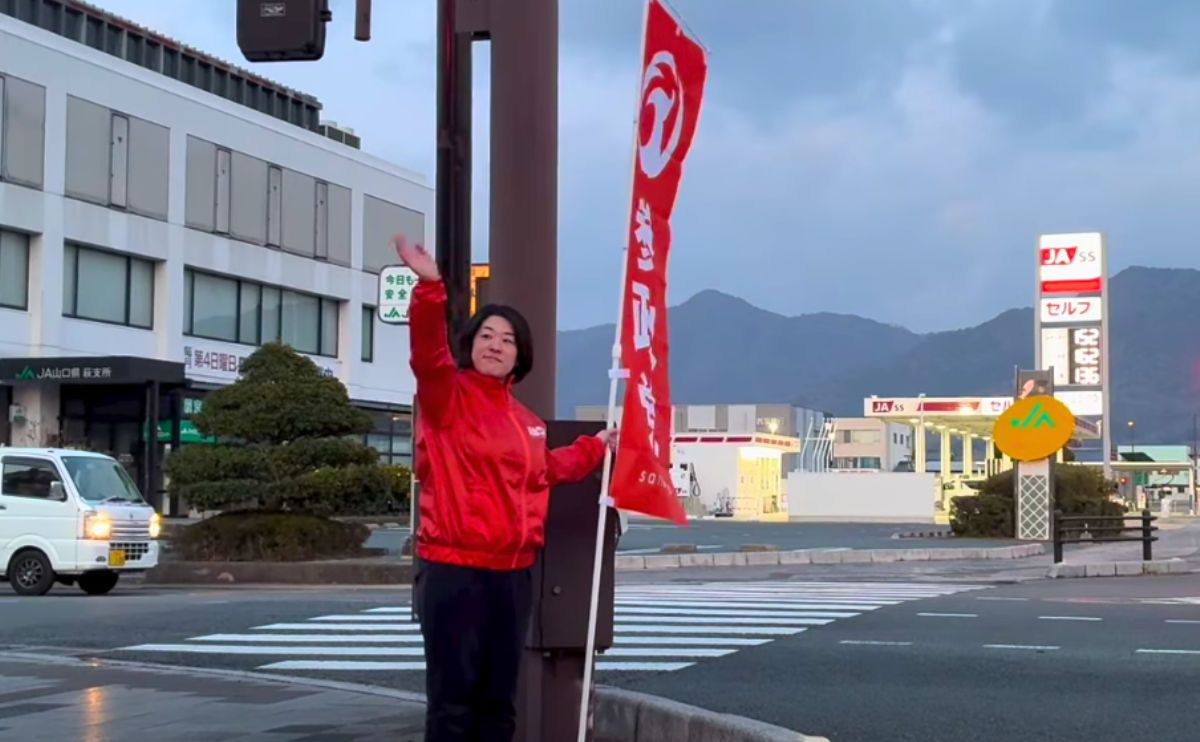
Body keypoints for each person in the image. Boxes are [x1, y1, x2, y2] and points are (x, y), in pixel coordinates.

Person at [395, 235, 616, 742]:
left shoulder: (524, 421)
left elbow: (546, 470)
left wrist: (596, 446)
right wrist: (430, 288)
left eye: (508, 339)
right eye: (487, 335)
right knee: (454, 703)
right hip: (455, 573)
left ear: (520, 356)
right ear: (470, 344)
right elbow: (426, 354)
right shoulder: (447, 396)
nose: (495, 344)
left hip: (512, 579)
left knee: (498, 703)